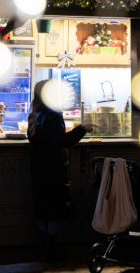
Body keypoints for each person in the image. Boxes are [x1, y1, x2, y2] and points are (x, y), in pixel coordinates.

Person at [27, 79, 97, 261]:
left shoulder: (34, 114)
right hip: (53, 169)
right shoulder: (53, 114)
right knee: (55, 211)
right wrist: (82, 129)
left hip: (38, 168)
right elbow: (62, 141)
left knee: (43, 209)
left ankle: (43, 248)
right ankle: (49, 251)